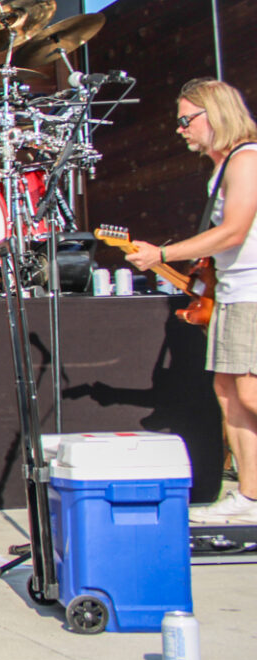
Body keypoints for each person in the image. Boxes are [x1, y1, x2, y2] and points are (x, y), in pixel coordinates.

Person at [126, 77, 257, 525]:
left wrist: (162, 253)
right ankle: (250, 498)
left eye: (187, 119)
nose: (181, 129)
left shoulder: (247, 159)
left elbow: (235, 230)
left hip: (255, 292)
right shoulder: (222, 169)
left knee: (251, 394)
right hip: (234, 291)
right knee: (228, 394)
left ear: (215, 113)